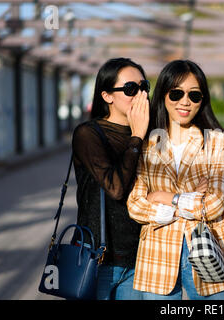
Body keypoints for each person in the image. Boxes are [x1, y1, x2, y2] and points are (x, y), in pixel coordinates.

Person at [127, 59, 224, 300]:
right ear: (163, 94)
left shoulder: (217, 141)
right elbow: (135, 206)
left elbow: (214, 205)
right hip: (157, 256)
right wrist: (189, 200)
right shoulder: (145, 145)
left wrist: (163, 197)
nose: (185, 101)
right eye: (176, 93)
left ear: (202, 100)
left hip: (207, 252)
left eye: (194, 95)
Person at [71, 57, 149, 300]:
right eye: (130, 89)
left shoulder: (152, 134)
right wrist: (136, 137)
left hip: (138, 259)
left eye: (144, 87)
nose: (140, 95)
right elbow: (115, 188)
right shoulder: (88, 134)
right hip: (97, 259)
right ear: (107, 96)